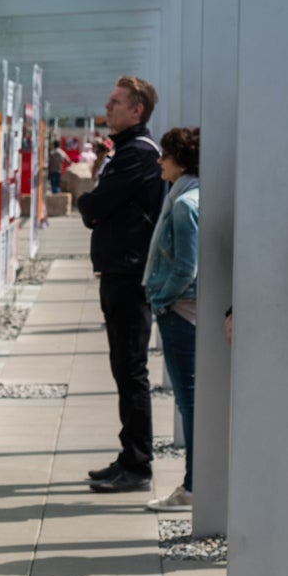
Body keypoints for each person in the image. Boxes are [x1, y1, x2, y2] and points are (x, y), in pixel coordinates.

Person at [78, 76, 164, 493]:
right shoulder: (127, 151)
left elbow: (95, 204)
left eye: (115, 102)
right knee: (123, 368)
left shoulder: (139, 155)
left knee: (131, 370)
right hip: (119, 273)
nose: (107, 107)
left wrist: (89, 202)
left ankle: (139, 466)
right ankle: (129, 455)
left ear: (137, 110)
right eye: (109, 100)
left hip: (130, 277)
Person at [144, 127, 201, 512]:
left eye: (165, 155)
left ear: (180, 160)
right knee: (191, 401)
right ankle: (196, 483)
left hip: (180, 312)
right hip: (186, 310)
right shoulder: (186, 195)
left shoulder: (183, 204)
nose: (159, 161)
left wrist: (161, 299)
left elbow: (186, 266)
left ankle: (194, 486)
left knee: (189, 401)